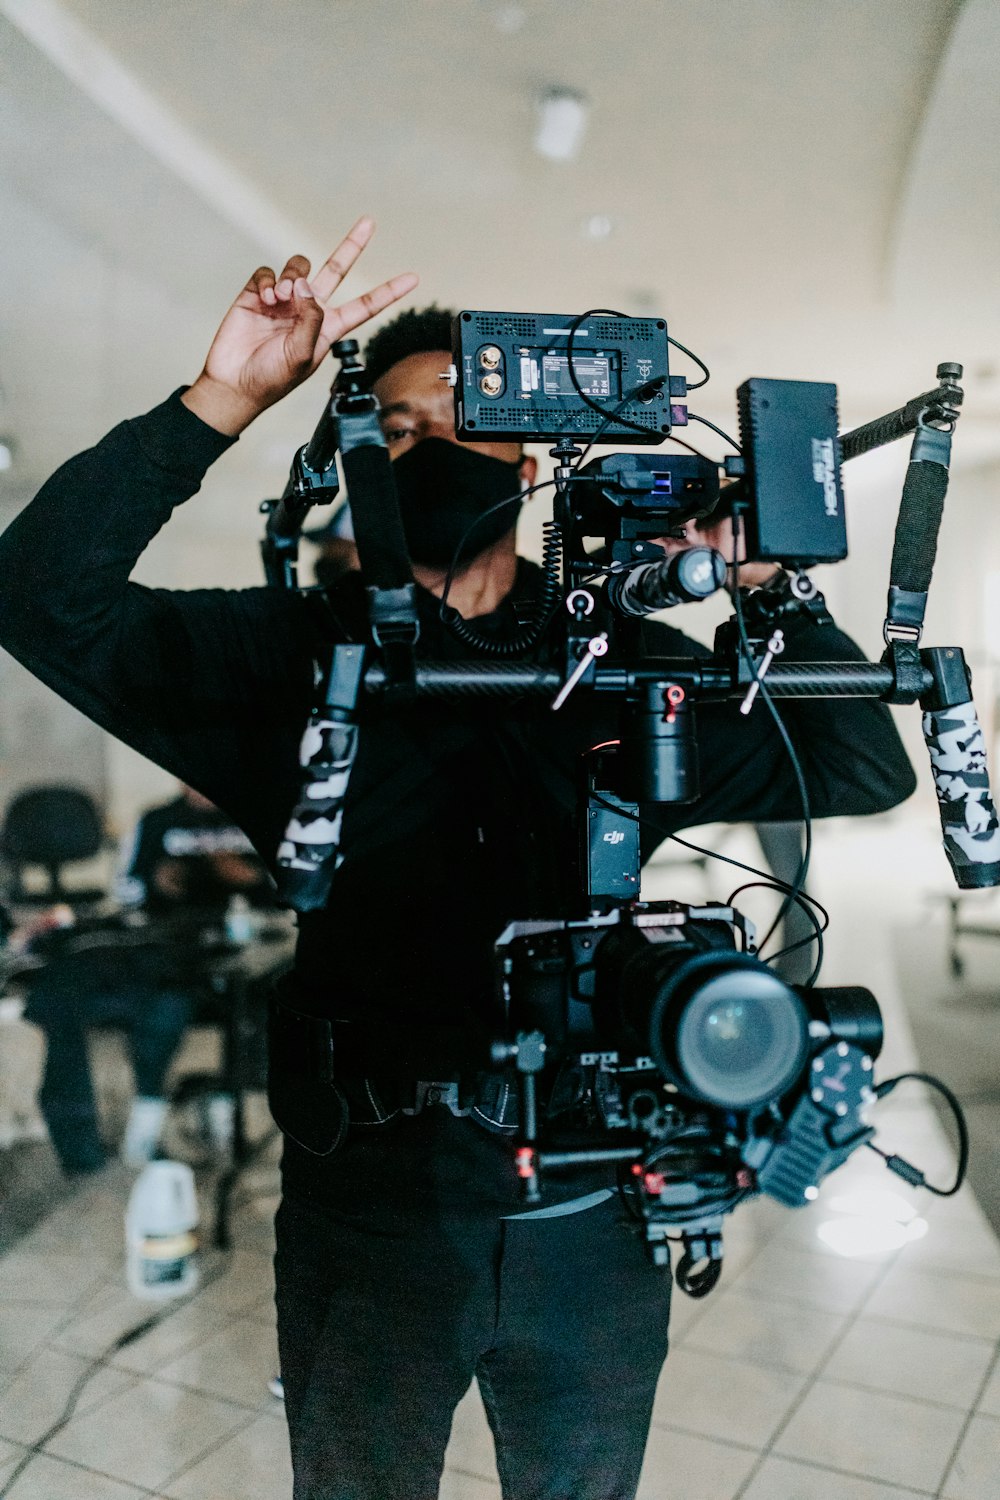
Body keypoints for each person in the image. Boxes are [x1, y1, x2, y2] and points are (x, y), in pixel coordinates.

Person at [0, 218, 916, 1499]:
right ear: (358, 457)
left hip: (594, 1214)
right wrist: (221, 402)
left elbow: (864, 771)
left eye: (456, 424)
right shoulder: (281, 659)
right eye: (399, 430)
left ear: (526, 454)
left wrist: (763, 583)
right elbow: (37, 596)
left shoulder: (622, 664)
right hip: (369, 1216)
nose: (427, 450)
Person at [22, 783, 272, 1173]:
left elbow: (290, 890)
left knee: (260, 1002)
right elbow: (127, 892)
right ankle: (148, 1116)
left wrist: (250, 879)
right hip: (170, 947)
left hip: (247, 941)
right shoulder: (158, 821)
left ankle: (223, 1116)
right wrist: (157, 883)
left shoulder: (256, 819)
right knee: (164, 1003)